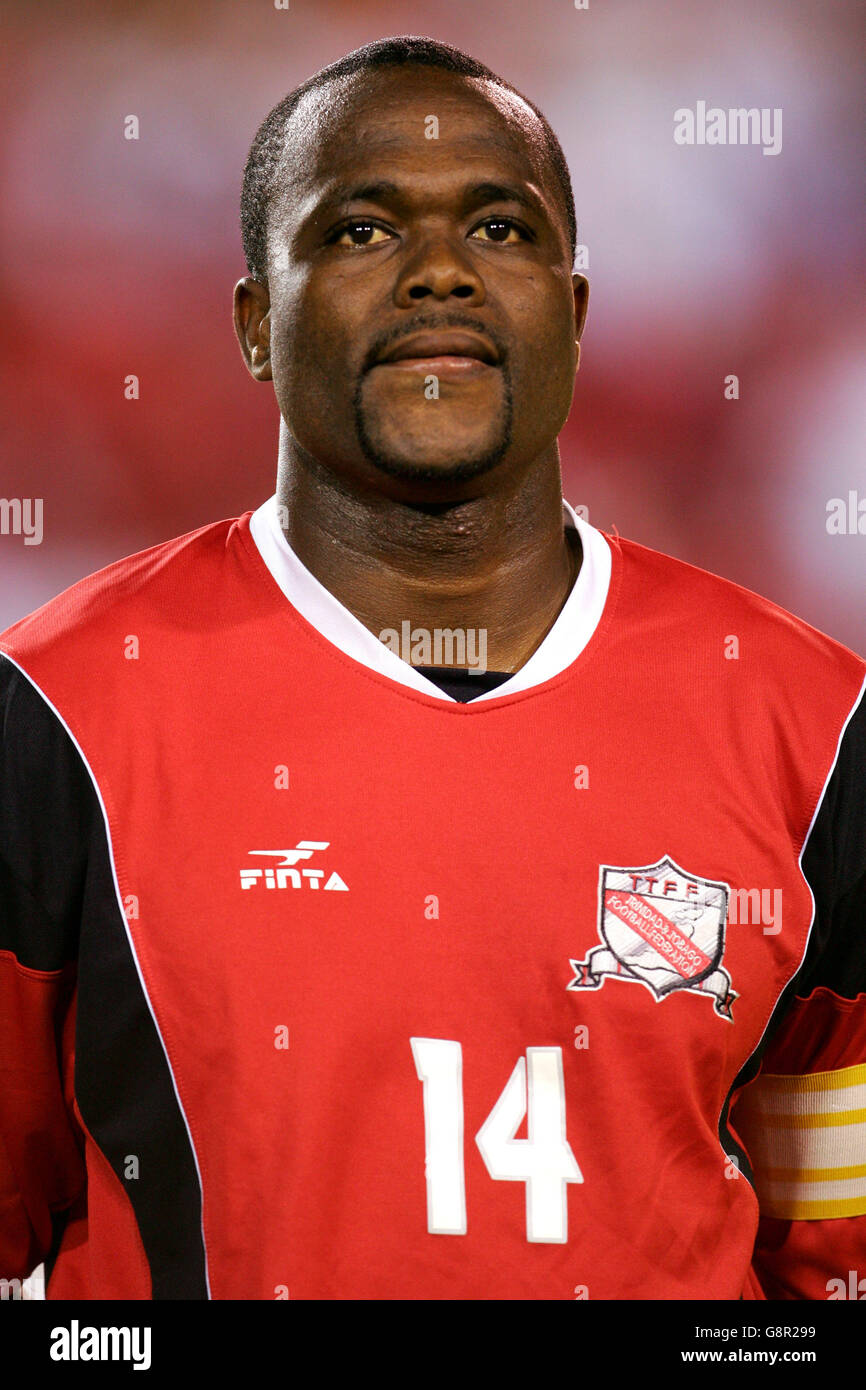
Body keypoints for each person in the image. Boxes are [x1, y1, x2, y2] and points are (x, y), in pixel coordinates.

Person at [0, 35, 863, 1302]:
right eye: (359, 232)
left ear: (572, 315)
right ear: (253, 323)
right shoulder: (58, 711)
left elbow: (828, 1260)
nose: (440, 273)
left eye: (502, 229)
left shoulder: (811, 721)